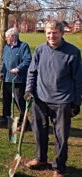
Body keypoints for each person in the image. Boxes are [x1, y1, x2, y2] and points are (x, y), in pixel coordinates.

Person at [24, 20, 82, 177]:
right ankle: (41, 158)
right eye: (48, 33)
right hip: (40, 99)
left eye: (55, 32)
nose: (51, 36)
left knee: (61, 136)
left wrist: (77, 102)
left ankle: (59, 167)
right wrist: (29, 89)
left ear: (62, 33)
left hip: (62, 101)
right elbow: (32, 72)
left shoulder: (73, 53)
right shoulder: (40, 50)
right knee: (39, 131)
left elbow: (78, 79)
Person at [0, 27, 32, 128]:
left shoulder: (23, 46)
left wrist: (18, 68)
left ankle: (24, 122)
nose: (6, 39)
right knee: (6, 100)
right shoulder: (6, 47)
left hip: (18, 79)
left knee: (19, 102)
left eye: (7, 37)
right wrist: (2, 72)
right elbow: (3, 61)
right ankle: (6, 118)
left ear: (13, 36)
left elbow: (27, 60)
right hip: (6, 79)